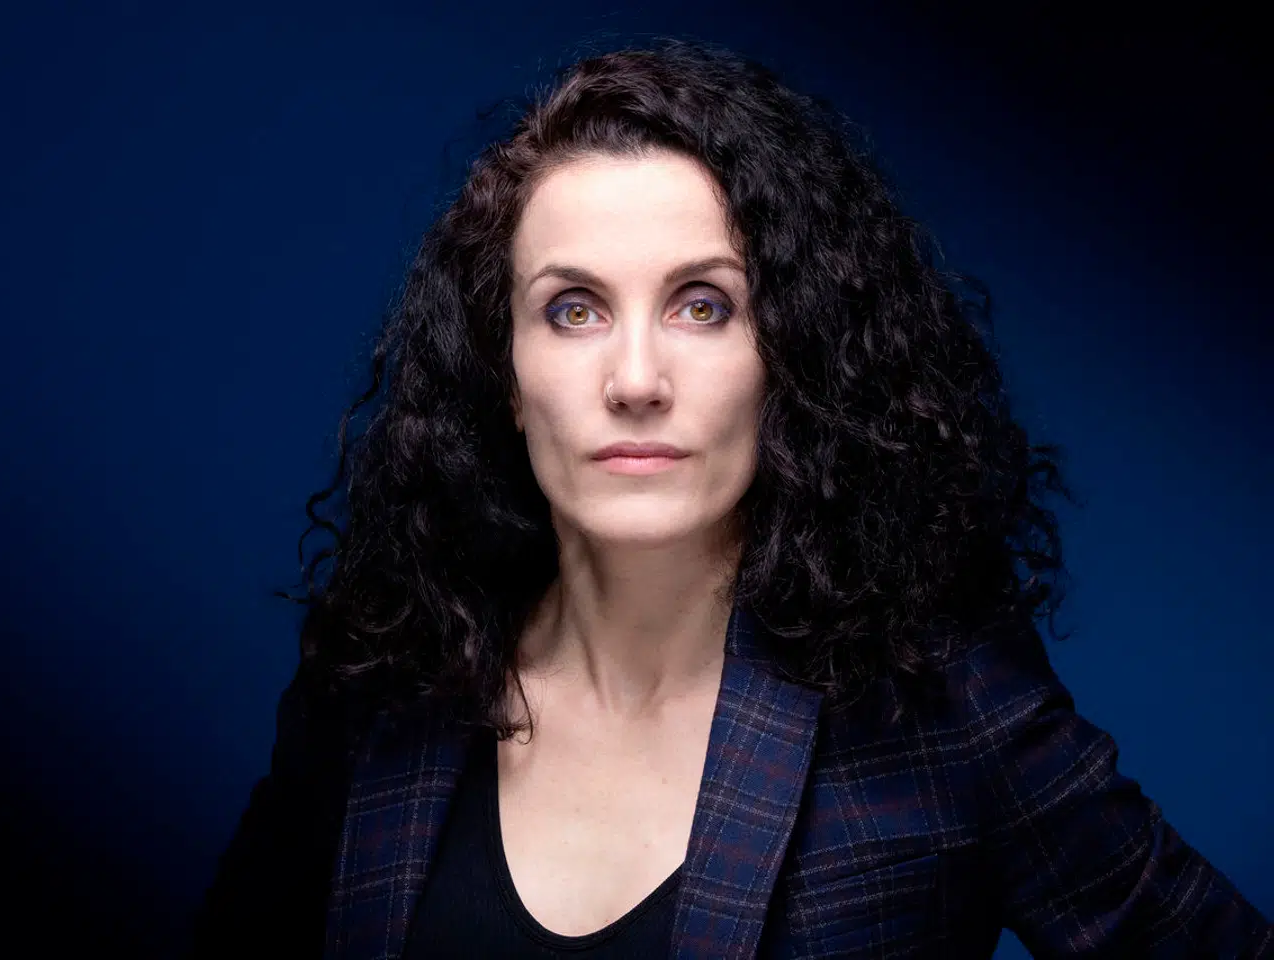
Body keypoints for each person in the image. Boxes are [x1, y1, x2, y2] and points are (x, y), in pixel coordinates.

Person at [188, 38, 1271, 959]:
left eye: (703, 306)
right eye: (573, 310)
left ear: (787, 355)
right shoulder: (382, 680)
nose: (636, 379)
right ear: (504, 375)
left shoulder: (937, 697)